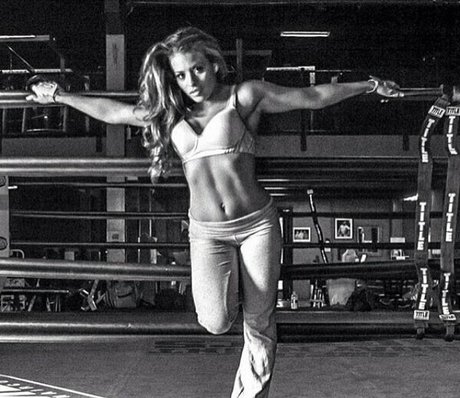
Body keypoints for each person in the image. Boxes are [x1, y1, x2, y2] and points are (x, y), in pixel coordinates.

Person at [26, 27, 403, 397]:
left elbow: (311, 96)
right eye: (181, 74)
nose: (191, 81)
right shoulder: (169, 112)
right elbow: (115, 112)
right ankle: (243, 288)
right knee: (216, 320)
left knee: (259, 320)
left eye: (198, 69)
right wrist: (59, 95)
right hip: (207, 233)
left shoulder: (244, 96)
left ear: (215, 64)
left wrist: (369, 86)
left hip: (256, 225)